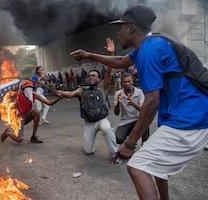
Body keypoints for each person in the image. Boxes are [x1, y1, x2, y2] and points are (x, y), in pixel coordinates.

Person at [70, 5, 208, 200]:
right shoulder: (154, 43)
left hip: (189, 122)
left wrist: (130, 143)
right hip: (191, 117)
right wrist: (89, 55)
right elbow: (120, 61)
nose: (118, 33)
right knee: (157, 168)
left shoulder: (149, 51)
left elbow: (152, 102)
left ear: (132, 28)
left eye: (121, 27)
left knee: (137, 166)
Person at [56, 38, 118, 159]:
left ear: (99, 79)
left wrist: (111, 53)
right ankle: (90, 145)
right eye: (89, 76)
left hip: (102, 119)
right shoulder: (82, 89)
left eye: (94, 75)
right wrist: (61, 93)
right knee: (88, 151)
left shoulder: (102, 86)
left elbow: (110, 70)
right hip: (89, 123)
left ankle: (114, 153)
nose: (91, 77)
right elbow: (70, 94)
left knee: (107, 129)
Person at [114, 73, 149, 144]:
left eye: (129, 81)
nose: (127, 83)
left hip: (138, 119)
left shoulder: (139, 92)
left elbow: (143, 110)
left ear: (132, 81)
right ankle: (128, 142)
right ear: (122, 83)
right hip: (126, 121)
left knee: (145, 121)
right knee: (118, 138)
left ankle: (144, 143)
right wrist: (118, 103)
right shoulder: (118, 93)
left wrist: (133, 103)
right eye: (124, 82)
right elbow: (116, 113)